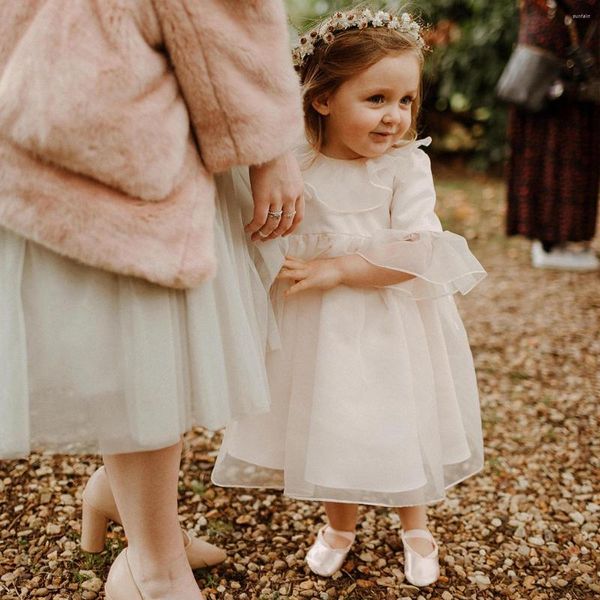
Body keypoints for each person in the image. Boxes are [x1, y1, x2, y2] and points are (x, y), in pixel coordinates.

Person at [0, 1, 303, 599]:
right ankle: (155, 566)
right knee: (148, 336)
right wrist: (267, 146)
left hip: (49, 108)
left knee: (145, 337)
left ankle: (132, 506)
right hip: (123, 132)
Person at [212, 7, 487, 588]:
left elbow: (418, 254)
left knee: (398, 422)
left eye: (406, 101)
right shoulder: (295, 167)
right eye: (377, 99)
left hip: (389, 327)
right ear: (322, 100)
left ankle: (416, 527)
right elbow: (260, 225)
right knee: (330, 423)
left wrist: (339, 268)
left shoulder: (405, 168)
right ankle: (339, 526)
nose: (395, 117)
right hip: (317, 331)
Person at [506, 0, 600, 270]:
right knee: (558, 155)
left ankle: (552, 241)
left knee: (546, 153)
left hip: (546, 71)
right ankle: (551, 242)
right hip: (555, 77)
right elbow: (582, 9)